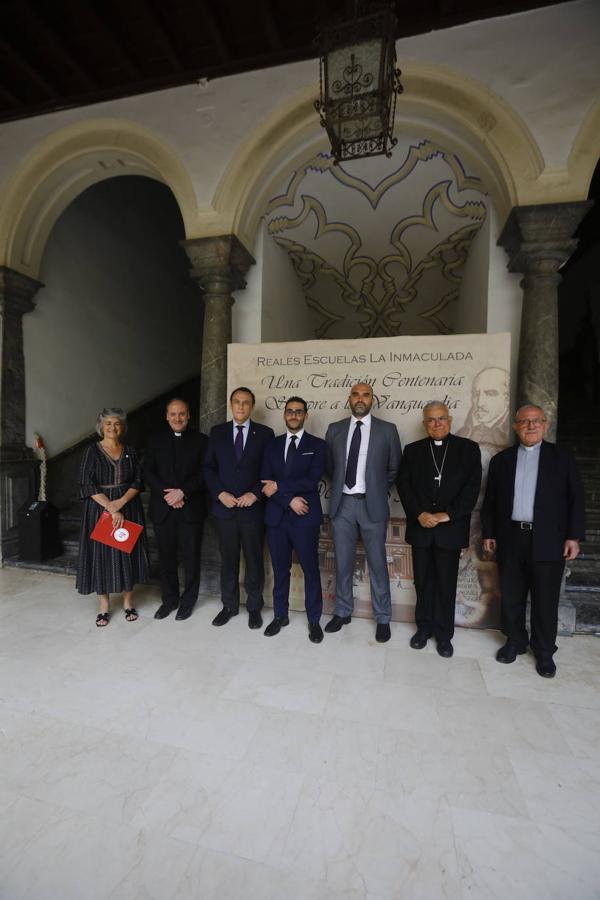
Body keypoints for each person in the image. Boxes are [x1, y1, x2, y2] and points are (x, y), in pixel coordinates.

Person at [481, 404, 585, 678]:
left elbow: (576, 499)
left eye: (536, 421)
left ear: (545, 424)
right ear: (515, 426)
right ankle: (515, 640)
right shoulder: (502, 460)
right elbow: (490, 501)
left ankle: (544, 651)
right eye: (524, 422)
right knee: (512, 595)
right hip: (511, 536)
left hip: (548, 539)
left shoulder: (562, 457)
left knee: (545, 599)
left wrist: (573, 536)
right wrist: (489, 533)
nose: (530, 426)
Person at [397, 401, 482, 657]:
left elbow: (472, 489)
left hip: (450, 529)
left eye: (441, 418)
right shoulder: (412, 450)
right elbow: (404, 486)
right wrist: (420, 514)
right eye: (431, 420)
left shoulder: (468, 449)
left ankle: (444, 635)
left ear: (450, 420)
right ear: (424, 424)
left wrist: (447, 515)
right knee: (422, 583)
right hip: (421, 527)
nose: (436, 424)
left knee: (446, 584)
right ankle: (423, 629)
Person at [324, 382, 402, 642]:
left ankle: (383, 617)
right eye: (356, 394)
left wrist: (378, 490)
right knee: (343, 562)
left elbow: (394, 468)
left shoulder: (387, 430)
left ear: (372, 400)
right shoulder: (335, 430)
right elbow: (329, 466)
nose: (360, 399)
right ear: (349, 398)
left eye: (365, 395)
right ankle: (343, 611)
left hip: (373, 504)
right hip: (342, 504)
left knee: (378, 564)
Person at [203, 387, 274, 629]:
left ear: (252, 406)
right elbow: (208, 468)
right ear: (231, 405)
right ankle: (229, 606)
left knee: (254, 560)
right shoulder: (218, 432)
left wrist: (255, 494)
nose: (241, 406)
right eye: (236, 402)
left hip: (252, 511)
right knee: (229, 560)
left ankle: (254, 608)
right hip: (225, 510)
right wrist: (220, 493)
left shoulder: (265, 434)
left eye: (245, 402)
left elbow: (269, 470)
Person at [261, 396, 326, 643]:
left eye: (299, 412)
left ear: (305, 415)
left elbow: (312, 480)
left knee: (310, 570)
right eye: (290, 411)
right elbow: (266, 484)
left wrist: (280, 488)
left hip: (305, 517)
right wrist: (288, 499)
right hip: (278, 517)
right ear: (284, 414)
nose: (294, 415)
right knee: (280, 570)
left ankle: (314, 620)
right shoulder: (272, 445)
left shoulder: (317, 445)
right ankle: (280, 616)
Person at [76, 407, 149, 626]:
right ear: (101, 427)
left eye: (116, 423)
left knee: (127, 553)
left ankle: (128, 602)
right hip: (99, 509)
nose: (112, 427)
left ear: (122, 427)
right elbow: (86, 483)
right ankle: (104, 606)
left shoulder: (130, 451)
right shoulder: (92, 451)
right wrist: (110, 507)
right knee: (102, 555)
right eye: (108, 423)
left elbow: (138, 481)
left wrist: (121, 502)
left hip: (128, 506)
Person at [143, 398, 208, 621]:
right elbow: (148, 472)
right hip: (163, 509)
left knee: (191, 558)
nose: (177, 418)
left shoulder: (201, 441)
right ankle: (169, 600)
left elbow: (204, 474)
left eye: (182, 414)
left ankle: (187, 602)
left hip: (191, 510)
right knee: (166, 558)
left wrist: (183, 492)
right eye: (173, 414)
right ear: (167, 416)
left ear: (189, 415)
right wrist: (169, 495)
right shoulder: (155, 440)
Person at [456, 367, 510, 448]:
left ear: (507, 399)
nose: (480, 403)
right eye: (476, 394)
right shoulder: (461, 434)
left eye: (490, 394)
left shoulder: (515, 433)